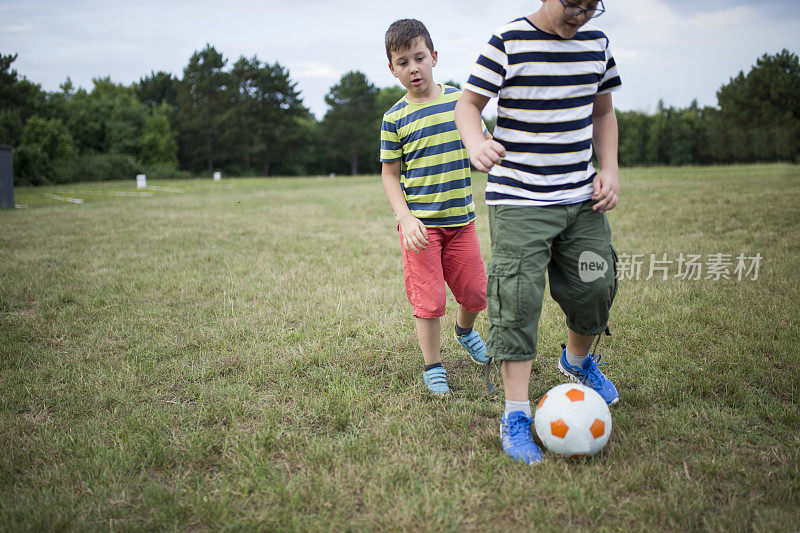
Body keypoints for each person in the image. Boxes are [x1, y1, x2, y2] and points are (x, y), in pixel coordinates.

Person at [454, 0, 621, 463]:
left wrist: (608, 168)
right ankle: (516, 414)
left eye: (592, 5)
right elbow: (468, 105)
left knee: (596, 282)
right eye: (573, 3)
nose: (581, 13)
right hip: (518, 198)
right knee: (518, 300)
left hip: (580, 197)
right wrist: (476, 142)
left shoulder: (597, 44)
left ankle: (579, 362)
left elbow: (603, 112)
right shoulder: (508, 40)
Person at [380, 18, 491, 395]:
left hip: (462, 222)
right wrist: (405, 217)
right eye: (402, 62)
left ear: (434, 57)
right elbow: (390, 176)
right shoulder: (394, 118)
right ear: (392, 69)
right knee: (429, 301)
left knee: (476, 292)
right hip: (421, 230)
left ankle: (465, 330)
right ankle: (433, 364)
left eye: (419, 57)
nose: (413, 67)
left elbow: (483, 143)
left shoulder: (461, 102)